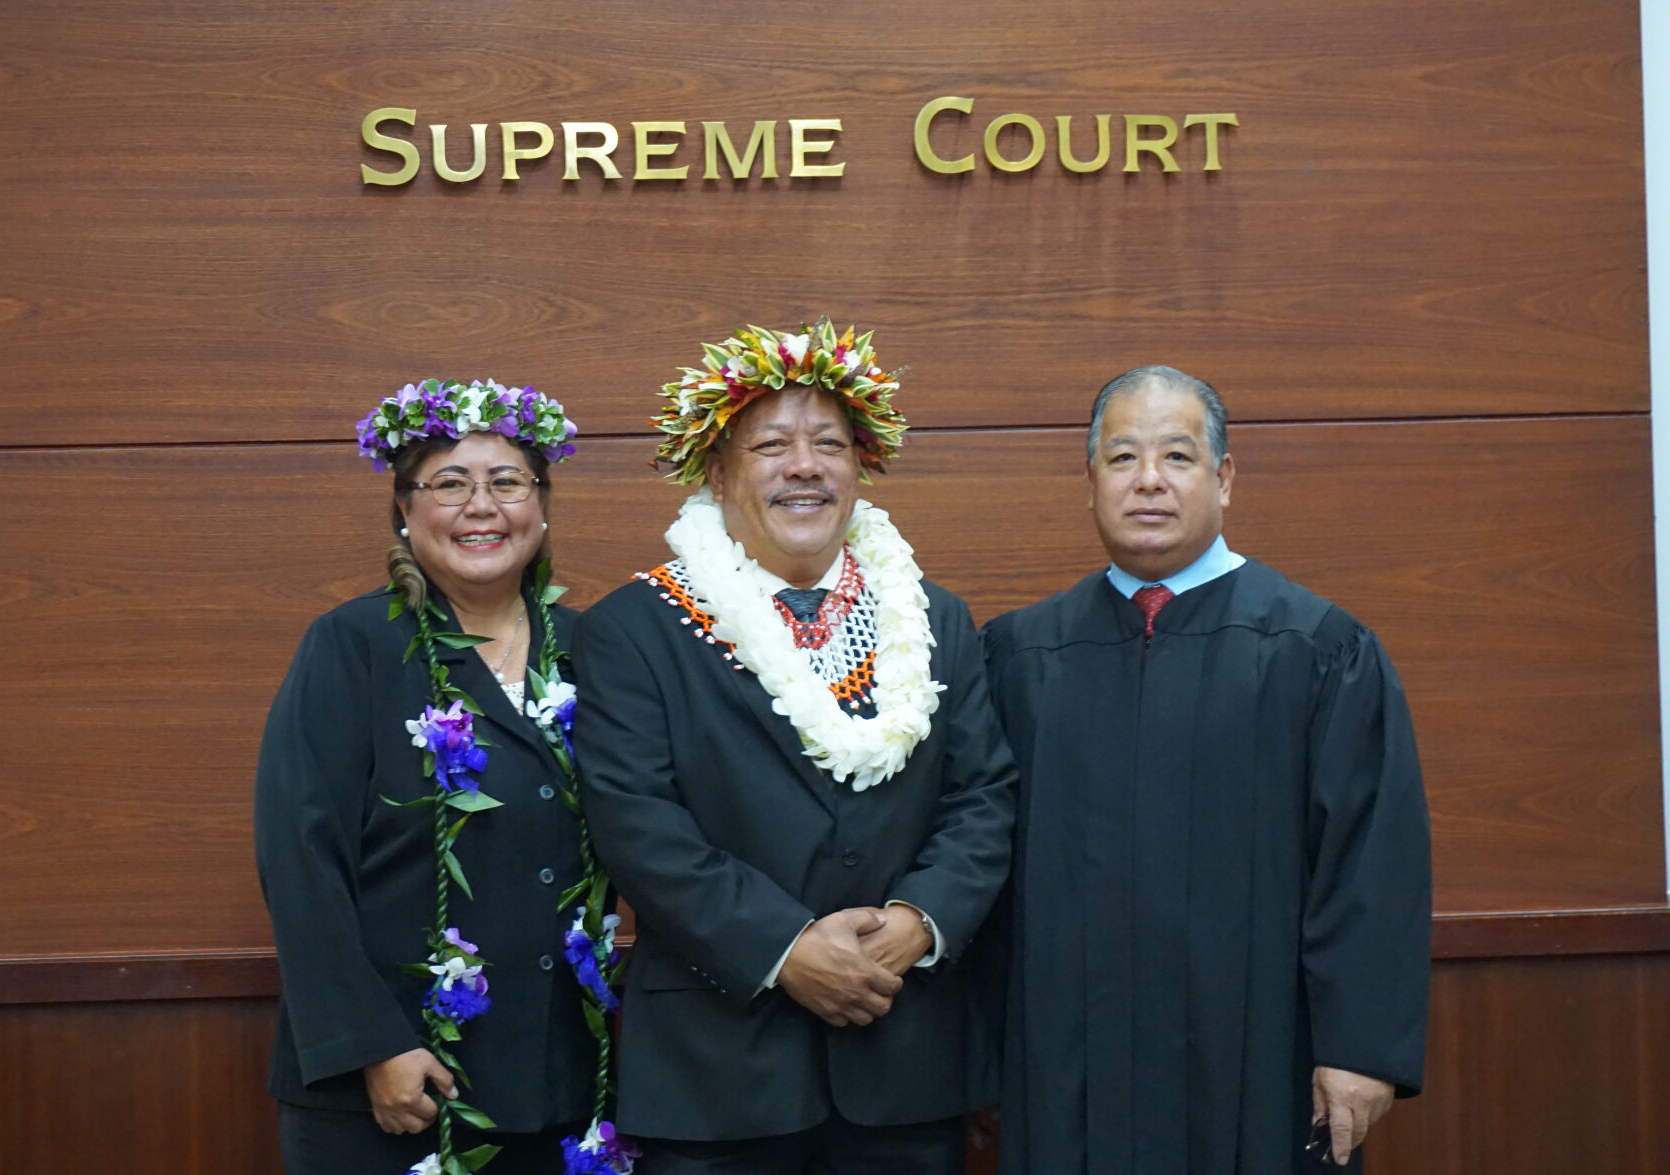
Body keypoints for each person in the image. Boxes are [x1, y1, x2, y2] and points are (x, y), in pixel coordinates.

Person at [572, 320, 1018, 1174]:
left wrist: (915, 923)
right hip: (716, 1071)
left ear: (860, 465)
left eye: (828, 444)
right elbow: (637, 824)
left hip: (904, 1058)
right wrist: (786, 947)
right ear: (718, 472)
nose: (804, 465)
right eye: (771, 445)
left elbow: (982, 796)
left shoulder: (934, 618)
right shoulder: (634, 629)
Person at [982, 365, 1432, 1174]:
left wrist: (1360, 1048)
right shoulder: (1021, 656)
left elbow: (1371, 862)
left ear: (1223, 478)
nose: (1147, 481)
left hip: (1261, 1060)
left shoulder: (1317, 648)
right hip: (1065, 1059)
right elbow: (979, 857)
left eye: (1178, 457)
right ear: (1089, 482)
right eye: (1121, 458)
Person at [255, 379, 613, 1175]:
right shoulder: (353, 647)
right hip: (393, 1086)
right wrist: (373, 1045)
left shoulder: (596, 650)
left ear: (542, 506)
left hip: (558, 1078)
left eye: (507, 482)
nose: (481, 506)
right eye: (450, 483)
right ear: (404, 511)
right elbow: (300, 859)